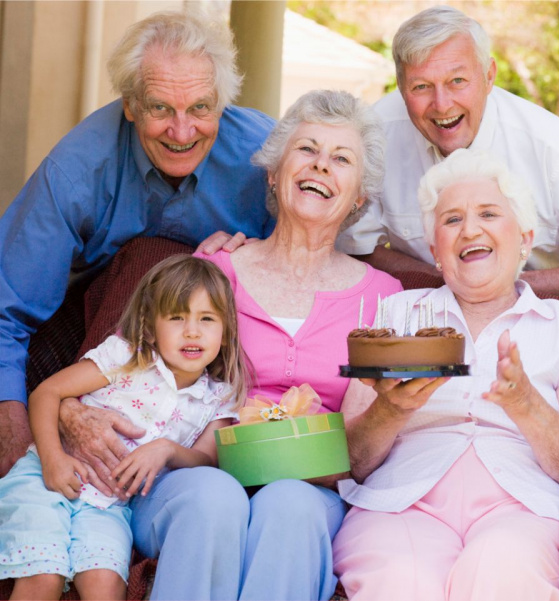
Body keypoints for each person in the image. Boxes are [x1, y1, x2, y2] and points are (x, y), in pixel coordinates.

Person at [61, 90, 402, 600]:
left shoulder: (381, 298)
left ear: (358, 197)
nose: (320, 167)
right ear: (273, 172)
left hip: (312, 489)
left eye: (341, 159)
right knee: (214, 495)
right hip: (187, 477)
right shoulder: (216, 271)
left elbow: (360, 452)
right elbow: (119, 362)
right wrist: (68, 410)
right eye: (306, 150)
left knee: (290, 504)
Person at [0, 10, 275, 478]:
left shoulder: (268, 159)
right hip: (86, 339)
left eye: (201, 108)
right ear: (130, 104)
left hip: (210, 363)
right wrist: (18, 432)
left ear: (224, 103)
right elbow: (7, 311)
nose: (183, 132)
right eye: (160, 108)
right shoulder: (76, 170)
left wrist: (253, 256)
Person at [332, 148, 559, 601]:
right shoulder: (395, 315)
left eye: (488, 213)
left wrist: (526, 405)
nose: (471, 229)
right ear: (436, 249)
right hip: (403, 501)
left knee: (502, 572)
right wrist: (392, 407)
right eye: (452, 219)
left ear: (524, 236)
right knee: (402, 581)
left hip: (525, 506)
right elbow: (352, 460)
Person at [336, 5, 559, 302]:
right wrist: (448, 283)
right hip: (432, 313)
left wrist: (494, 286)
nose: (442, 104)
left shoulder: (552, 147)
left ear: (489, 76)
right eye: (421, 87)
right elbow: (355, 249)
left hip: (547, 315)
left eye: (457, 81)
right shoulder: (375, 135)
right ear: (401, 88)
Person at [0, 255, 248, 600]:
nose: (192, 331)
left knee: (106, 587)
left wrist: (167, 450)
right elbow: (48, 392)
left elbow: (206, 459)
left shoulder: (219, 397)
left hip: (111, 506)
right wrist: (52, 460)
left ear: (225, 332)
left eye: (207, 319)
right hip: (45, 481)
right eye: (177, 318)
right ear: (149, 326)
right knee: (43, 578)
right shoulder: (126, 356)